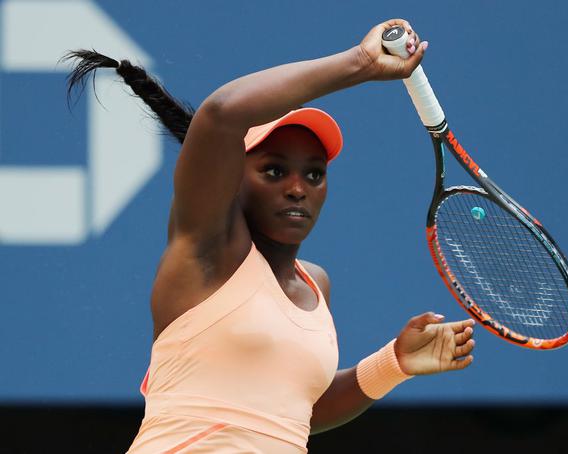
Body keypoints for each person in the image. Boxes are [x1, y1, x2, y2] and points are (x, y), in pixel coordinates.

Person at [65, 18, 475, 453]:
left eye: (314, 174)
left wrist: (394, 363)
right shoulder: (208, 252)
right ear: (232, 179)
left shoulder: (316, 284)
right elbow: (222, 114)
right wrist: (359, 63)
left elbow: (291, 413)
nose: (298, 187)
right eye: (274, 170)